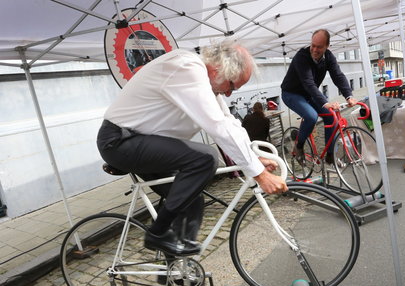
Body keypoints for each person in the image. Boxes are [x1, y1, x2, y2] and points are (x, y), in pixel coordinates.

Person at [97, 39, 288, 257]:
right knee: (205, 157)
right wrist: (260, 175)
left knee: (191, 198)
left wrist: (254, 157)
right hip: (120, 141)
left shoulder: (207, 84)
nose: (229, 94)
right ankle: (157, 234)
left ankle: (176, 266)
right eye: (233, 86)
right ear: (219, 69)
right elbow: (216, 125)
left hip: (145, 142)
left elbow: (229, 122)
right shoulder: (186, 68)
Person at [281, 29, 357, 164]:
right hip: (291, 93)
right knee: (311, 116)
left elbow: (338, 76)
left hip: (309, 94)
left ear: (327, 46)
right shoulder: (301, 57)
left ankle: (330, 155)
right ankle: (299, 146)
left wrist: (348, 96)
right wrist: (325, 102)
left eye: (319, 47)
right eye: (313, 45)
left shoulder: (328, 57)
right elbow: (308, 83)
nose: (315, 49)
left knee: (331, 116)